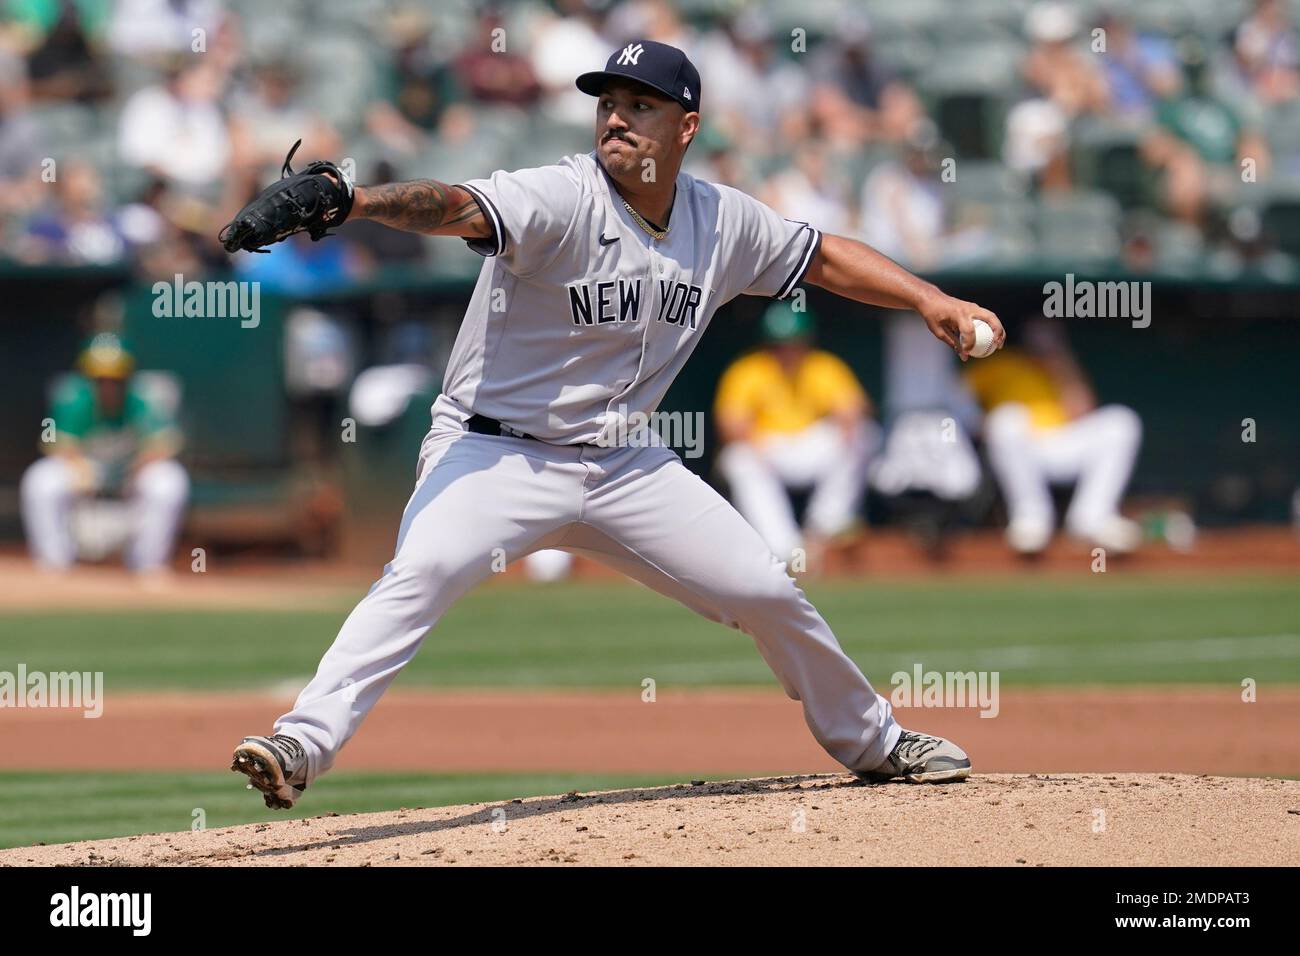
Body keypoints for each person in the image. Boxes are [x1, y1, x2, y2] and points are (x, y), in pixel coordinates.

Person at [227, 40, 1005, 809]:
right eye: (608, 103)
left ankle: (876, 743)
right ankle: (302, 743)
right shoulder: (562, 197)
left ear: (687, 127)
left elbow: (823, 256)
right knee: (418, 576)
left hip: (625, 463)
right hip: (494, 451)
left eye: (642, 105)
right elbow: (459, 205)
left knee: (766, 590)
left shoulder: (719, 219)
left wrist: (927, 298)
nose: (618, 119)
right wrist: (356, 201)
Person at [714, 302, 877, 567]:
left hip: (810, 447)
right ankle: (785, 549)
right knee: (738, 458)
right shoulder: (749, 369)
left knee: (864, 436)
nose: (786, 350)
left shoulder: (822, 365)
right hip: (768, 447)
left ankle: (824, 528)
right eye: (779, 344)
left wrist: (849, 420)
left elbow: (854, 408)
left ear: (805, 341)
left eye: (793, 342)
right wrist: (753, 443)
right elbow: (730, 424)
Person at [965, 320, 1142, 555]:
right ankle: (1030, 519)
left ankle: (1092, 517)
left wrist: (1058, 361)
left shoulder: (1061, 367)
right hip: (1022, 447)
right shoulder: (998, 363)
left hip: (1063, 442)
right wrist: (983, 424)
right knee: (1005, 420)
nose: (1042, 343)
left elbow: (1082, 409)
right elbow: (961, 405)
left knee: (1121, 421)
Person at [20, 332, 189, 574]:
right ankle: (53, 564)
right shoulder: (74, 397)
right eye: (100, 378)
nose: (108, 385)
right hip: (87, 470)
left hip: (132, 471)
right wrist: (79, 468)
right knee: (41, 479)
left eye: (116, 378)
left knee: (169, 480)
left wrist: (137, 468)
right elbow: (55, 444)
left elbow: (165, 444)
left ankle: (148, 565)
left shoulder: (141, 398)